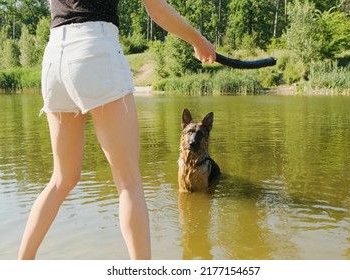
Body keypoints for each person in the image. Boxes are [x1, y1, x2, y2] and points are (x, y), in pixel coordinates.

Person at [18, 0, 216, 260]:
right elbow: (156, 8)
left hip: (54, 56)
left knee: (61, 179)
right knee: (129, 183)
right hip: (95, 49)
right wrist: (198, 40)